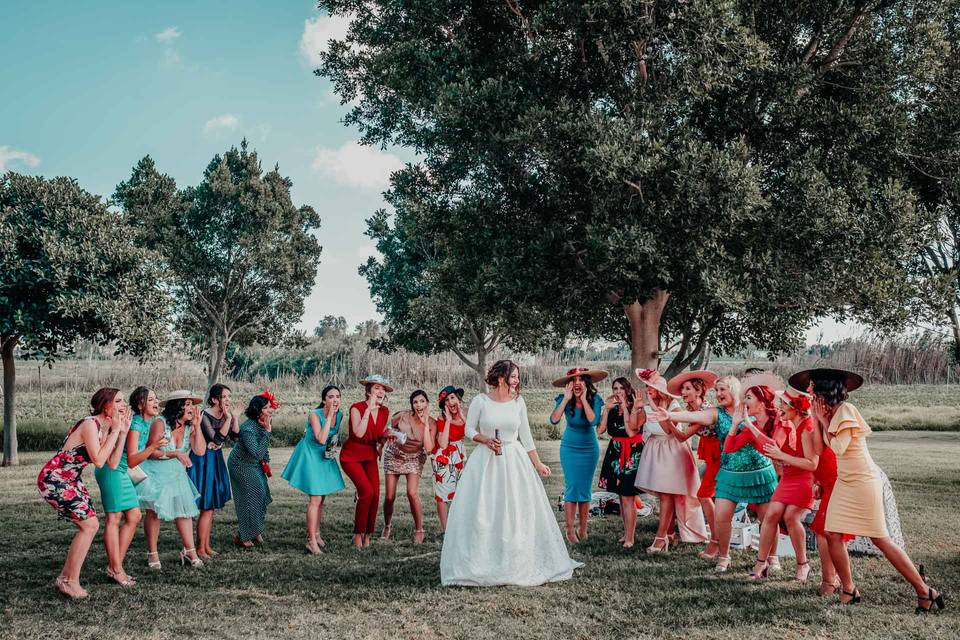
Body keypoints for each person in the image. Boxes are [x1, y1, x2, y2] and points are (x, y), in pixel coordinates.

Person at [792, 368, 945, 612]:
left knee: (880, 539)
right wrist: (816, 420)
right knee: (832, 533)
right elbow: (821, 451)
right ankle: (849, 589)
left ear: (824, 390)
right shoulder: (829, 414)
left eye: (812, 388)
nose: (809, 392)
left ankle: (925, 591)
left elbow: (840, 448)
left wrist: (822, 420)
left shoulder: (846, 411)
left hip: (863, 481)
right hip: (845, 481)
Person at [440, 359, 582, 586]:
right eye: (513, 376)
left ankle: (515, 559)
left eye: (517, 376)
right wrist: (485, 439)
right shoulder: (481, 401)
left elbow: (525, 437)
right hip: (485, 461)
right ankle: (482, 560)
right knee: (485, 510)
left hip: (514, 461)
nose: (517, 380)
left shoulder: (519, 402)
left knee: (515, 509)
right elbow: (469, 429)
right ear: (500, 377)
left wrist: (538, 464)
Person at [38, 388, 130, 598]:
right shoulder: (90, 424)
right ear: (106, 405)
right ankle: (69, 581)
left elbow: (113, 463)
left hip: (71, 480)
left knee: (90, 526)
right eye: (118, 401)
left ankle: (65, 579)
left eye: (124, 401)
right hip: (55, 478)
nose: (123, 405)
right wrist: (115, 431)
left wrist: (122, 432)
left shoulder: (106, 427)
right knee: (90, 525)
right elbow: (98, 460)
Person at [94, 387, 168, 587]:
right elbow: (134, 459)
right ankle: (116, 569)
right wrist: (153, 447)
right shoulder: (135, 424)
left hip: (121, 470)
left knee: (134, 516)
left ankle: (115, 565)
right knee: (114, 518)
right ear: (141, 404)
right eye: (150, 399)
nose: (156, 402)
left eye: (156, 398)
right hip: (113, 470)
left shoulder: (146, 422)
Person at [632, 369, 707, 553]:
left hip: (672, 451)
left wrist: (654, 406)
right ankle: (670, 533)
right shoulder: (647, 405)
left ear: (660, 389)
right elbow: (634, 427)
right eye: (646, 386)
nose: (648, 389)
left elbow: (667, 430)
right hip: (655, 450)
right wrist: (638, 407)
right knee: (664, 495)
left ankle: (660, 538)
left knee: (668, 495)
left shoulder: (672, 404)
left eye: (651, 387)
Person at [138, 390, 206, 569]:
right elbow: (150, 453)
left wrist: (198, 427)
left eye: (193, 404)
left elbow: (200, 451)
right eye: (189, 404)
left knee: (183, 512)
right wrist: (174, 453)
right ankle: (152, 553)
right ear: (178, 406)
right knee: (154, 512)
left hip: (176, 475)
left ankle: (190, 552)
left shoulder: (190, 427)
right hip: (155, 473)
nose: (193, 408)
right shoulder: (160, 424)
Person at [755, 387, 818, 582]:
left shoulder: (807, 428)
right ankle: (761, 563)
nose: (779, 407)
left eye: (783, 404)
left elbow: (812, 463)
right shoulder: (791, 424)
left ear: (796, 407)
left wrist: (782, 456)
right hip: (789, 477)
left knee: (791, 516)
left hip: (805, 478)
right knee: (771, 514)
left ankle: (803, 565)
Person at [282, 385, 346, 554]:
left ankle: (317, 534)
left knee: (322, 496)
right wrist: (330, 415)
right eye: (330, 397)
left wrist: (332, 450)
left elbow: (332, 437)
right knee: (315, 498)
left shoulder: (340, 415)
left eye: (337, 396)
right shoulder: (314, 415)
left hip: (324, 455)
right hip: (310, 453)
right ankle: (310, 541)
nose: (335, 400)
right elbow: (320, 438)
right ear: (324, 400)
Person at [665, 369, 720, 558]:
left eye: (687, 388)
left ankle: (716, 541)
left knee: (704, 495)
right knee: (706, 496)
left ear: (698, 391)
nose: (683, 392)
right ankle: (716, 537)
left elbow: (682, 437)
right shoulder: (693, 410)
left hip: (719, 455)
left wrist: (668, 419)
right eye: (682, 389)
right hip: (711, 455)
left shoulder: (704, 411)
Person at [550, 367, 606, 543]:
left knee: (585, 489)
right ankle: (569, 529)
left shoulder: (595, 399)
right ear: (569, 385)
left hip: (589, 448)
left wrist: (584, 399)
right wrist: (566, 399)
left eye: (581, 380)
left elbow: (593, 421)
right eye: (574, 381)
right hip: (570, 448)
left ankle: (583, 528)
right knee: (572, 488)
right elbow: (554, 419)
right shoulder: (563, 399)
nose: (577, 383)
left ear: (586, 384)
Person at [342, 375, 392, 549]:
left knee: (376, 494)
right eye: (377, 388)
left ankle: (368, 534)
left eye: (383, 389)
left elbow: (377, 435)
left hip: (370, 455)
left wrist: (387, 436)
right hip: (351, 455)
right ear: (369, 390)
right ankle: (357, 534)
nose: (380, 391)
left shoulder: (385, 411)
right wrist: (369, 409)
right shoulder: (356, 408)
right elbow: (360, 433)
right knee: (367, 492)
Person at [189, 383, 236, 560]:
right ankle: (200, 548)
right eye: (224, 397)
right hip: (203, 460)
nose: (228, 400)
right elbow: (216, 438)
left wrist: (233, 418)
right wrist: (229, 420)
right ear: (215, 399)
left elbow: (236, 436)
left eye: (229, 397)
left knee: (211, 508)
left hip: (215, 459)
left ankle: (206, 546)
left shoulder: (225, 415)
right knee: (206, 506)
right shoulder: (205, 415)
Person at [381, 390, 432, 544]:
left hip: (414, 458)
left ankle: (419, 529)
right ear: (412, 404)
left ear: (427, 403)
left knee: (412, 493)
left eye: (422, 401)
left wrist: (426, 423)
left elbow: (429, 449)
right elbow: (384, 431)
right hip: (394, 454)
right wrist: (390, 434)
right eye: (415, 402)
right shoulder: (401, 416)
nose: (419, 405)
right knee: (389, 496)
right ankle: (387, 525)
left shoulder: (432, 423)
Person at [597, 376, 642, 548]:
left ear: (628, 390)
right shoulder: (612, 409)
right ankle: (626, 534)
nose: (618, 392)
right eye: (615, 389)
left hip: (631, 453)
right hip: (615, 453)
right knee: (621, 497)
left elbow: (631, 432)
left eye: (621, 388)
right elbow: (600, 431)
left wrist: (624, 406)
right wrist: (606, 410)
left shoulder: (636, 407)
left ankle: (631, 537)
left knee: (628, 496)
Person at [228, 391, 278, 548]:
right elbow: (256, 452)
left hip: (254, 464)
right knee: (249, 498)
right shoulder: (248, 428)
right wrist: (268, 433)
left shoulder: (263, 423)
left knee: (261, 495)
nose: (271, 410)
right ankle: (243, 537)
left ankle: (255, 532)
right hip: (240, 465)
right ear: (258, 410)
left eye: (271, 407)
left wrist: (266, 462)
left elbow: (263, 452)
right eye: (267, 407)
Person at [425, 385, 468, 532]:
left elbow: (471, 433)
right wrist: (448, 420)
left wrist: (462, 416)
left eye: (452, 398)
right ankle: (446, 530)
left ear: (458, 399)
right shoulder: (442, 419)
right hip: (444, 457)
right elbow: (443, 444)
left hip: (459, 456)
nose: (450, 402)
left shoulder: (465, 415)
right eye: (446, 401)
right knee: (443, 495)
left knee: (461, 492)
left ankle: (459, 527)